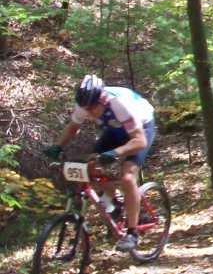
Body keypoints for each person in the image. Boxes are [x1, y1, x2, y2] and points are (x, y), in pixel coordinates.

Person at [44, 75, 157, 252]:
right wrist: (58, 147)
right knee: (90, 167)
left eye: (92, 108)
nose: (89, 112)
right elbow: (73, 128)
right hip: (114, 130)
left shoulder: (119, 104)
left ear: (102, 100)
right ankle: (115, 203)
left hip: (141, 129)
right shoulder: (84, 104)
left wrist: (116, 153)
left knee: (127, 178)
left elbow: (140, 141)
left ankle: (133, 233)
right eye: (86, 109)